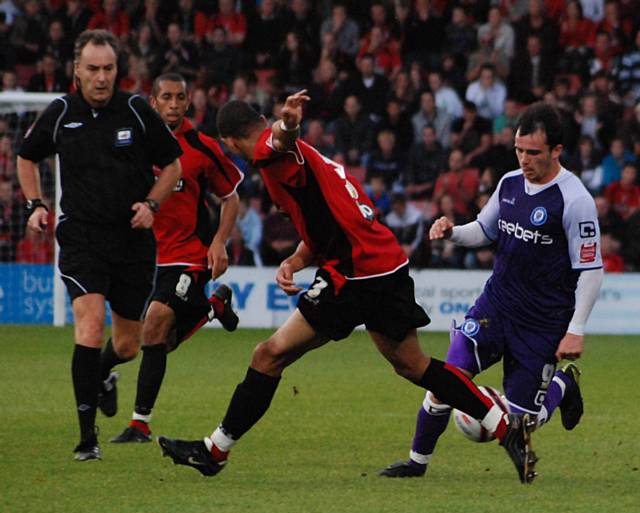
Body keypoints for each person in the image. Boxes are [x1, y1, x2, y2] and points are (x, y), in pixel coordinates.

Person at [157, 91, 539, 484]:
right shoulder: (307, 158)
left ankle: (214, 451)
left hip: (352, 274)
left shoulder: (272, 153)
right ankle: (504, 427)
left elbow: (278, 139)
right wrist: (295, 260)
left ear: (230, 143)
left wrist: (287, 123)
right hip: (384, 263)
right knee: (413, 364)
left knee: (268, 355)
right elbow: (326, 226)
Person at [379, 102, 604, 478]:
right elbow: (484, 230)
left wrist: (576, 328)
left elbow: (591, 270)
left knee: (523, 424)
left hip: (543, 322)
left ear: (556, 151)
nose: (524, 159)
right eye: (519, 150)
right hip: (495, 306)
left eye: (533, 152)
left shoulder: (576, 200)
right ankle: (416, 464)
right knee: (448, 379)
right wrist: (452, 232)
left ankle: (563, 383)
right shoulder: (509, 183)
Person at [16, 30, 183, 461]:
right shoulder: (60, 113)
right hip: (82, 238)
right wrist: (35, 204)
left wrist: (152, 203)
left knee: (127, 344)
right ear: (77, 70)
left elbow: (172, 165)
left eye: (108, 68)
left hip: (132, 241)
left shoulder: (134, 109)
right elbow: (26, 155)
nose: (102, 77)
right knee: (89, 326)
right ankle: (86, 439)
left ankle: (104, 374)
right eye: (93, 69)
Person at [108, 73, 242, 444]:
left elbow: (231, 196)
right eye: (165, 97)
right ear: (152, 102)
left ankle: (139, 424)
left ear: (188, 102)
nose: (173, 104)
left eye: (180, 98)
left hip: (188, 254)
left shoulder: (201, 146)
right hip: (142, 254)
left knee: (154, 324)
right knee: (154, 341)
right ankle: (212, 308)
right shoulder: (135, 142)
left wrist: (219, 242)